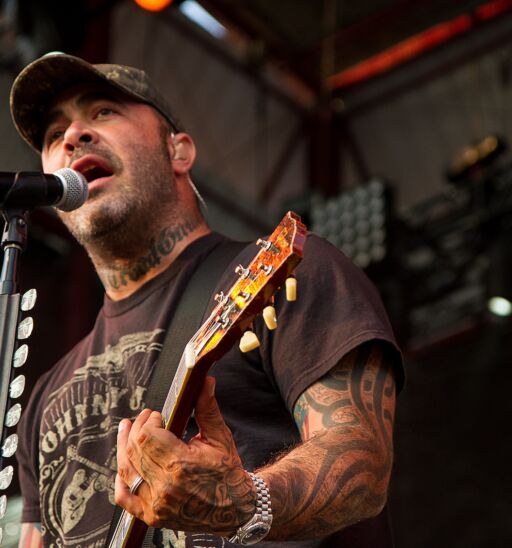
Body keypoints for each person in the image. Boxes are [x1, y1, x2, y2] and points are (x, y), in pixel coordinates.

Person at [10, 52, 403, 548]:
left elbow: (360, 465)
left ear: (179, 151)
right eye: (53, 134)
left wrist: (247, 502)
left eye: (103, 111)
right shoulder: (44, 398)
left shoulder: (285, 275)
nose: (73, 136)